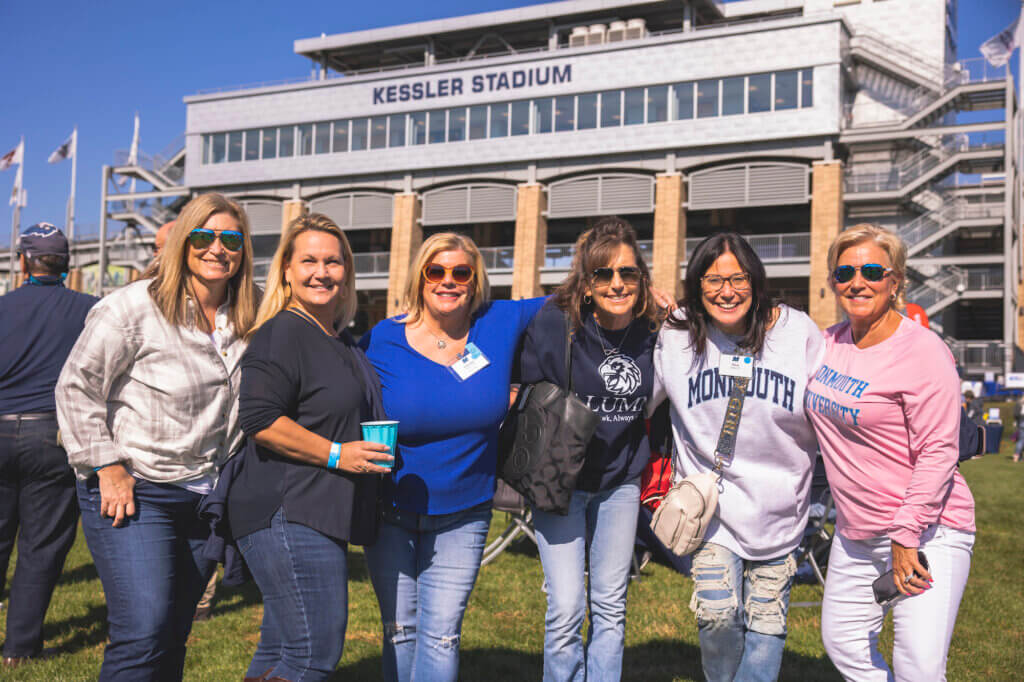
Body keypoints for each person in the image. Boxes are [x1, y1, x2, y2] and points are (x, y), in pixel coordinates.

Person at [55, 193, 259, 681]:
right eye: (203, 236)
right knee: (142, 630)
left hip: (205, 498)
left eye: (230, 238)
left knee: (172, 631)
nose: (217, 248)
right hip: (136, 489)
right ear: (182, 242)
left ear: (243, 249)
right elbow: (76, 387)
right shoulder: (131, 308)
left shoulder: (246, 320)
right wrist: (107, 466)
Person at [359, 232, 547, 682]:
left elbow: (576, 297)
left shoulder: (499, 321)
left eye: (460, 272)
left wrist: (655, 303)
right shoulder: (383, 338)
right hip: (390, 510)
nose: (448, 281)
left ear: (475, 279)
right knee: (400, 631)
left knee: (442, 636)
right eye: (436, 271)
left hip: (465, 513)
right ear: (420, 278)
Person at [650, 232, 824, 682]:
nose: (726, 291)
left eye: (737, 278)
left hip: (780, 509)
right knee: (718, 613)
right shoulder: (677, 333)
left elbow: (832, 405)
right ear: (697, 284)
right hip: (710, 510)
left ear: (756, 280)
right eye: (713, 280)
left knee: (767, 624)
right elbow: (635, 398)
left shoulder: (796, 331)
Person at [806, 223, 975, 681]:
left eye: (872, 271)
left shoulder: (923, 351)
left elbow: (939, 451)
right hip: (857, 532)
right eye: (844, 272)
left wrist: (906, 535)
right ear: (832, 281)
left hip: (926, 531)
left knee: (917, 665)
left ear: (895, 281)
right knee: (844, 645)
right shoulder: (826, 344)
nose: (857, 281)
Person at [227, 213, 390, 682]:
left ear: (347, 272)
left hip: (317, 509)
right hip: (287, 509)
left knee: (279, 648)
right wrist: (339, 454)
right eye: (309, 261)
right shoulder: (282, 332)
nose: (322, 272)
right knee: (315, 652)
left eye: (333, 262)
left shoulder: (338, 339)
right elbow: (260, 420)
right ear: (286, 271)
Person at [518, 217, 660, 682]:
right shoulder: (556, 324)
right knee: (564, 608)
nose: (617, 283)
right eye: (603, 274)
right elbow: (525, 388)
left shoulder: (655, 331)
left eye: (628, 273)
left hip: (619, 482)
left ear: (642, 278)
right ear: (586, 282)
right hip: (560, 481)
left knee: (610, 605)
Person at [0, 224, 98, 668]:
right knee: (41, 546)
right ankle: (20, 649)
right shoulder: (91, 311)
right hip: (52, 435)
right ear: (68, 264)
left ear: (23, 261)